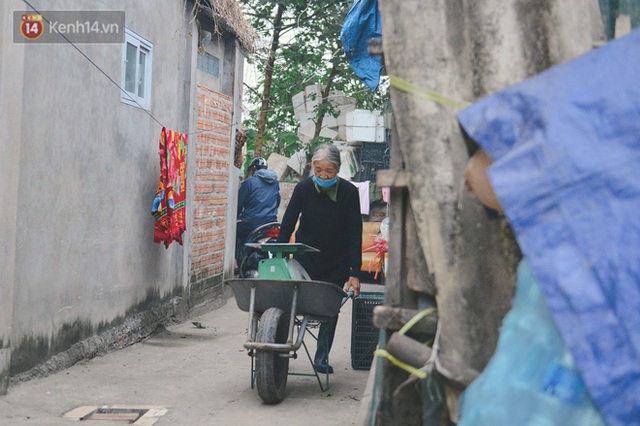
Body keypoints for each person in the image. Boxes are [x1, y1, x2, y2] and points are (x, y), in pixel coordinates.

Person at [276, 143, 363, 374]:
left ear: (338, 169)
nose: (323, 176)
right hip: (306, 259)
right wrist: (278, 253)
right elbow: (288, 222)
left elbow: (356, 233)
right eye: (318, 170)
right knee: (291, 304)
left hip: (337, 262)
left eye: (329, 171)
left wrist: (355, 272)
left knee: (329, 309)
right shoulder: (304, 188)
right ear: (312, 168)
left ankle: (321, 357)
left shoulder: (349, 193)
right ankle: (281, 350)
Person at [236, 157, 280, 262]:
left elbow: (239, 204)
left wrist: (237, 217)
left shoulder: (249, 182)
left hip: (251, 223)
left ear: (254, 168)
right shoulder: (275, 183)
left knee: (235, 234)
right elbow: (277, 200)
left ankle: (236, 261)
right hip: (271, 223)